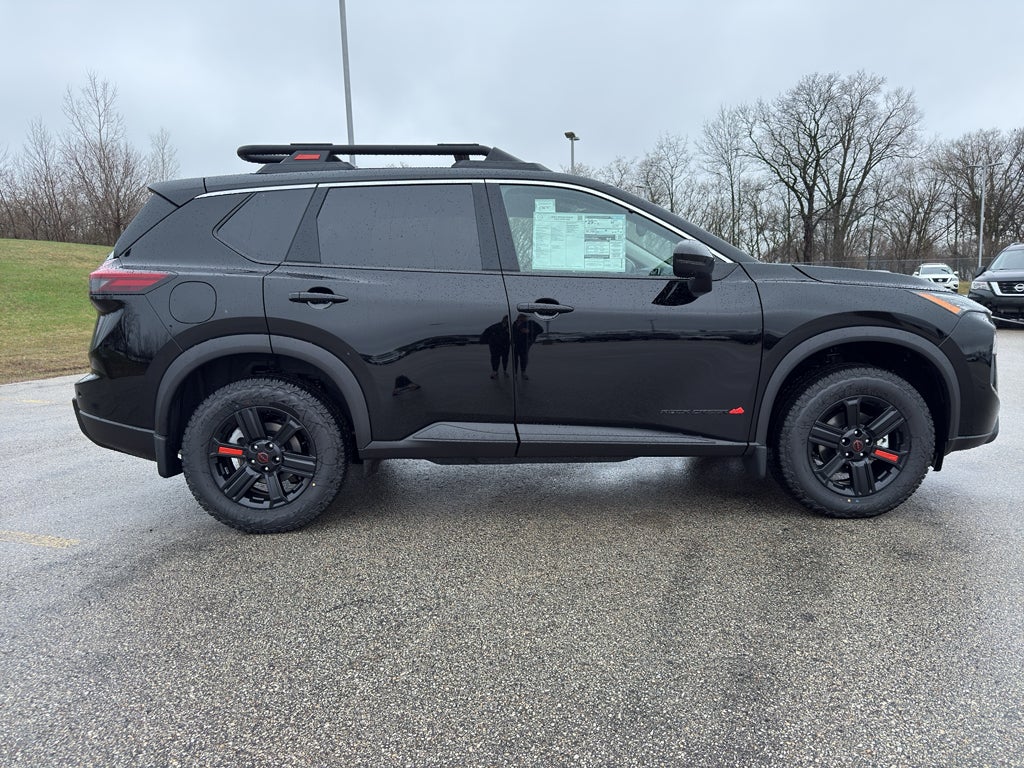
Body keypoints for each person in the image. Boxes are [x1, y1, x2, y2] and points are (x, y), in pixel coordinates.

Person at [512, 313, 543, 380]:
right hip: (516, 344)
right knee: (515, 359)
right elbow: (513, 333)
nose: (525, 318)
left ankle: (523, 373)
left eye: (525, 317)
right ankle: (515, 373)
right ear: (519, 318)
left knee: (523, 358)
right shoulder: (514, 324)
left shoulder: (531, 323)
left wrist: (529, 331)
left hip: (525, 343)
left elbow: (541, 330)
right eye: (522, 317)